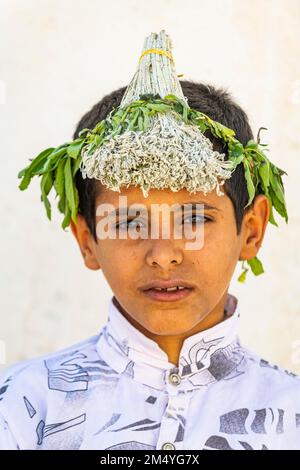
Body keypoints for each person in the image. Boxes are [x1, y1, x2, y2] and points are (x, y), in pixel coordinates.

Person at [0, 30, 298, 451]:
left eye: (194, 218)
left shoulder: (292, 417)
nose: (163, 255)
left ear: (251, 230)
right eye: (128, 222)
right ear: (87, 240)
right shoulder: (19, 408)